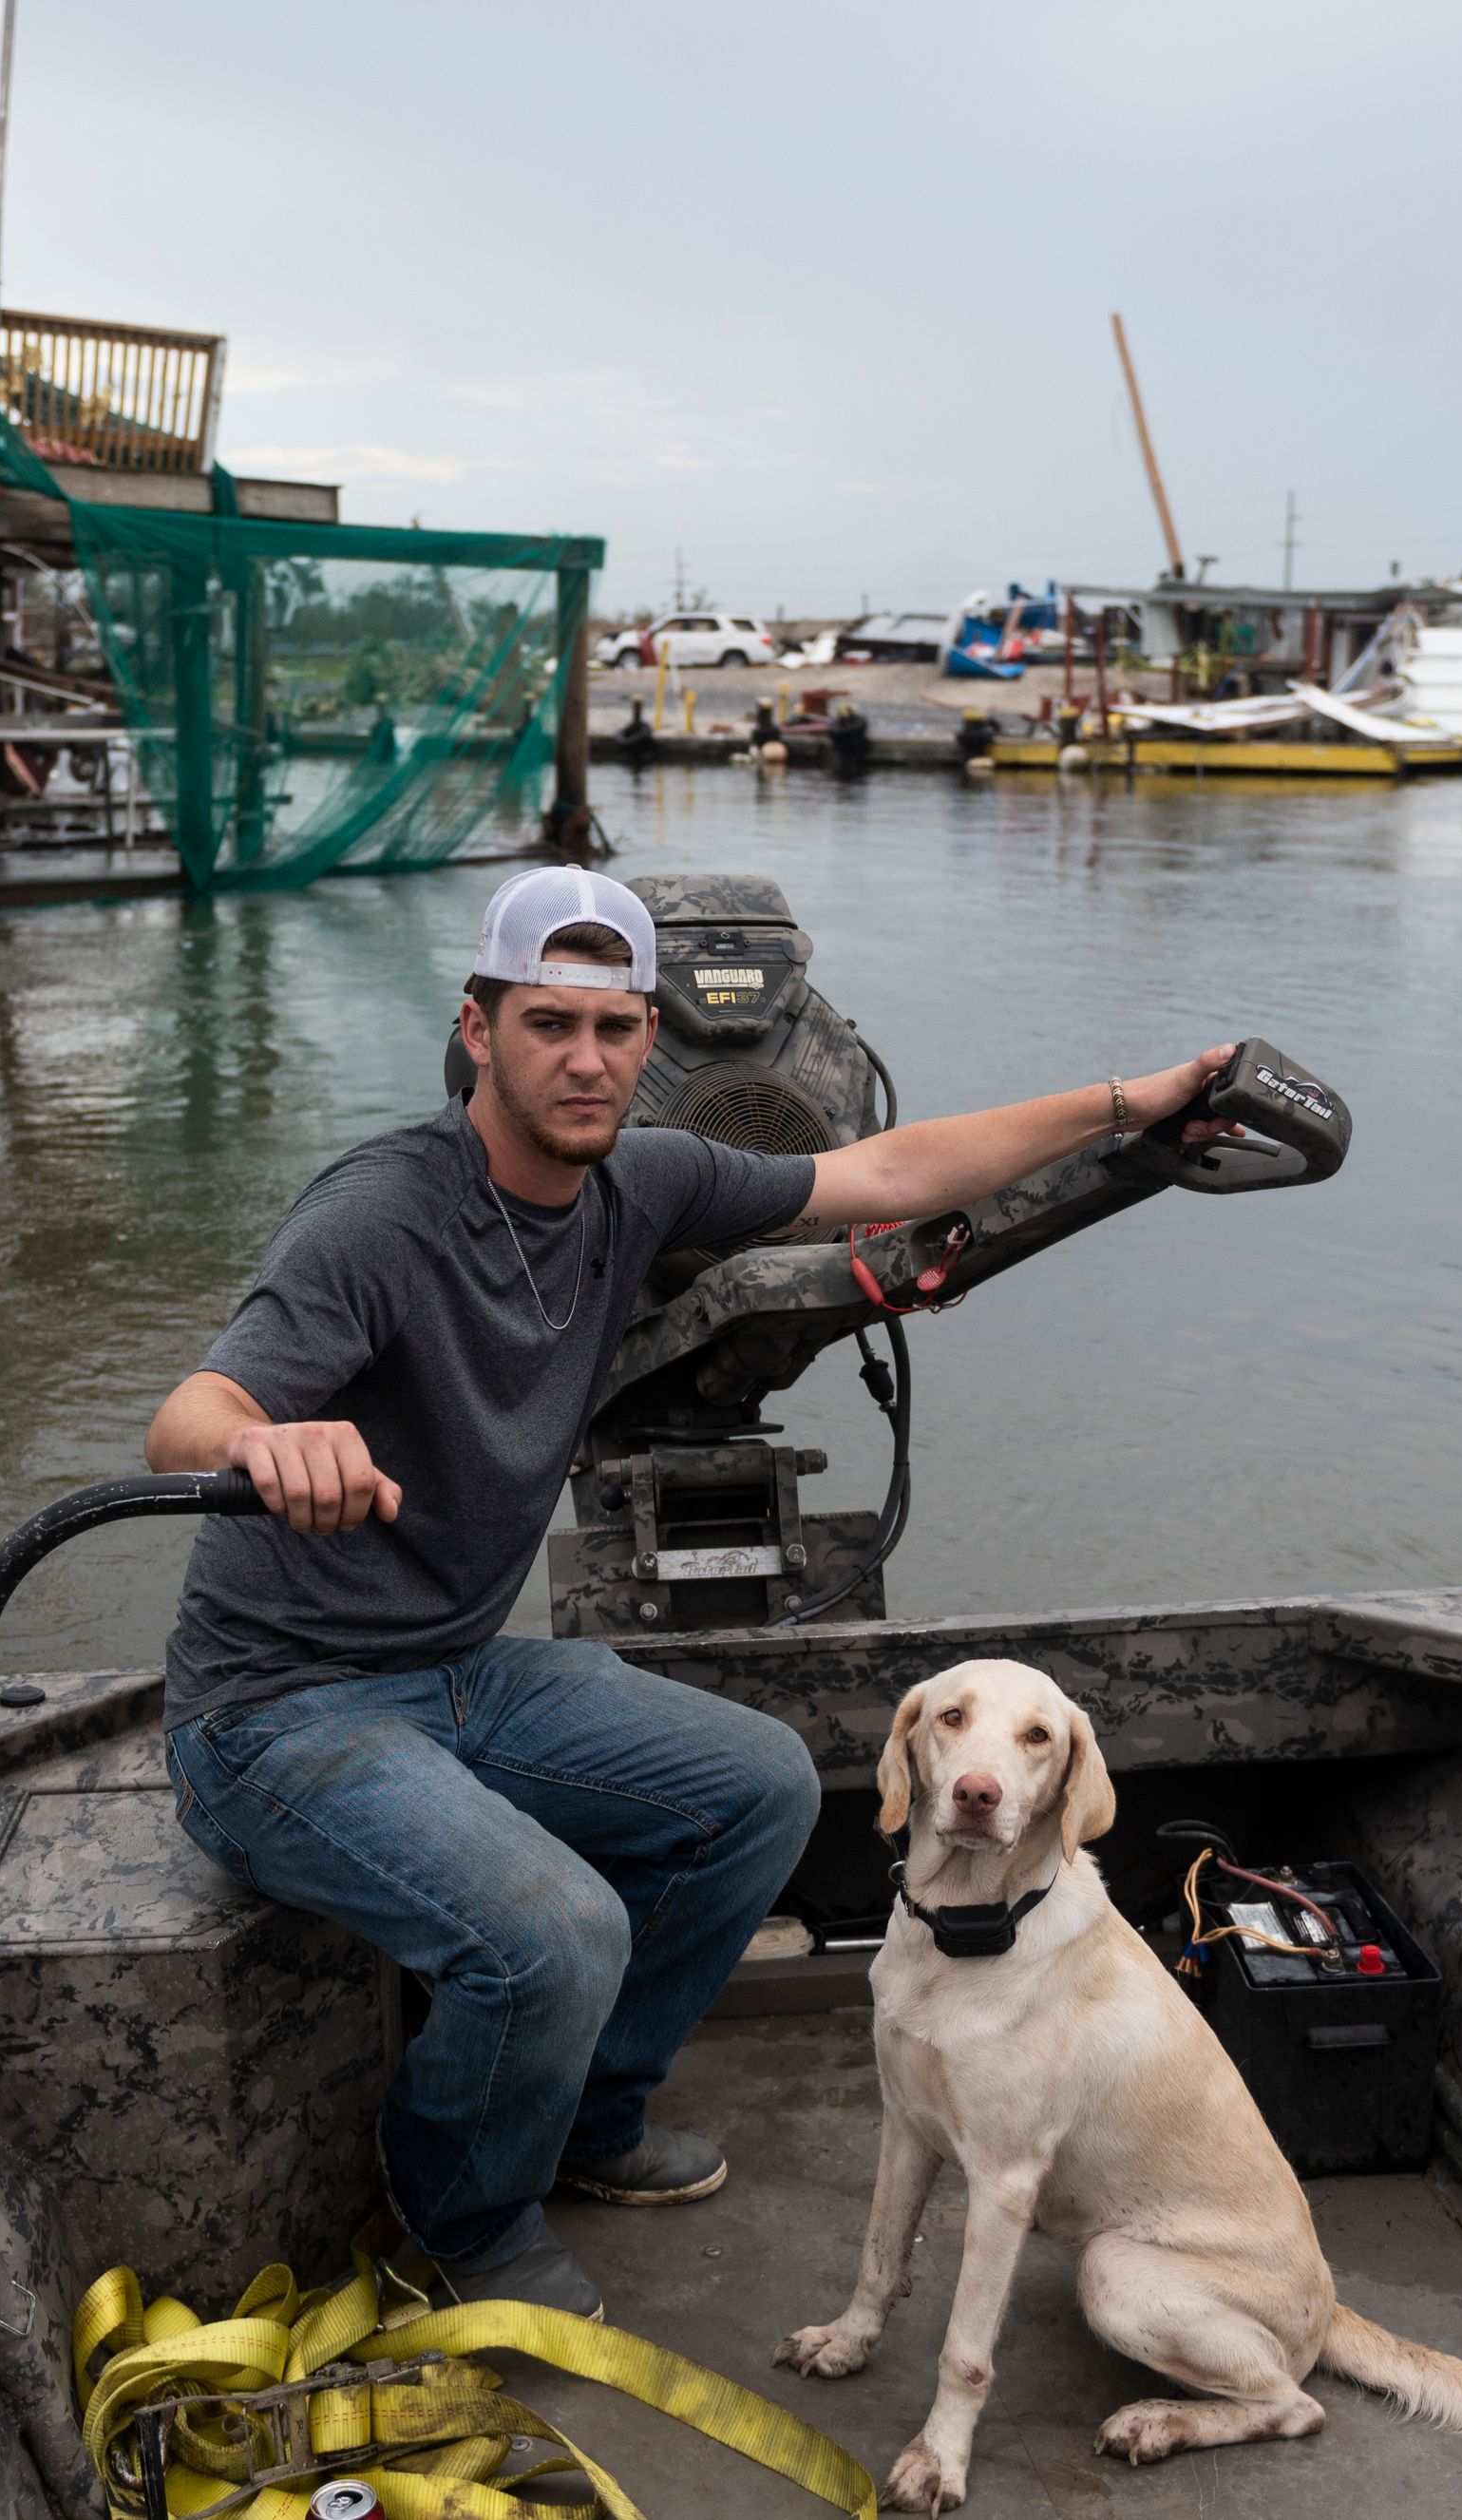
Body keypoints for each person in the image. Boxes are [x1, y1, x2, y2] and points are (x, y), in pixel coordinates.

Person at [148, 865, 1236, 2317]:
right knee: (556, 1930)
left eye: (615, 1028)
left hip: (459, 1672)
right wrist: (270, 1437)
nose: (586, 1060)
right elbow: (187, 1416)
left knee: (762, 1785)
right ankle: (453, 2220)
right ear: (479, 1031)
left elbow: (893, 1175)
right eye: (548, 1024)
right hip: (275, 1713)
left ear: (650, 1042)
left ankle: (591, 2120)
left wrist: (1132, 1105)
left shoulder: (640, 1184)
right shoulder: (383, 1213)